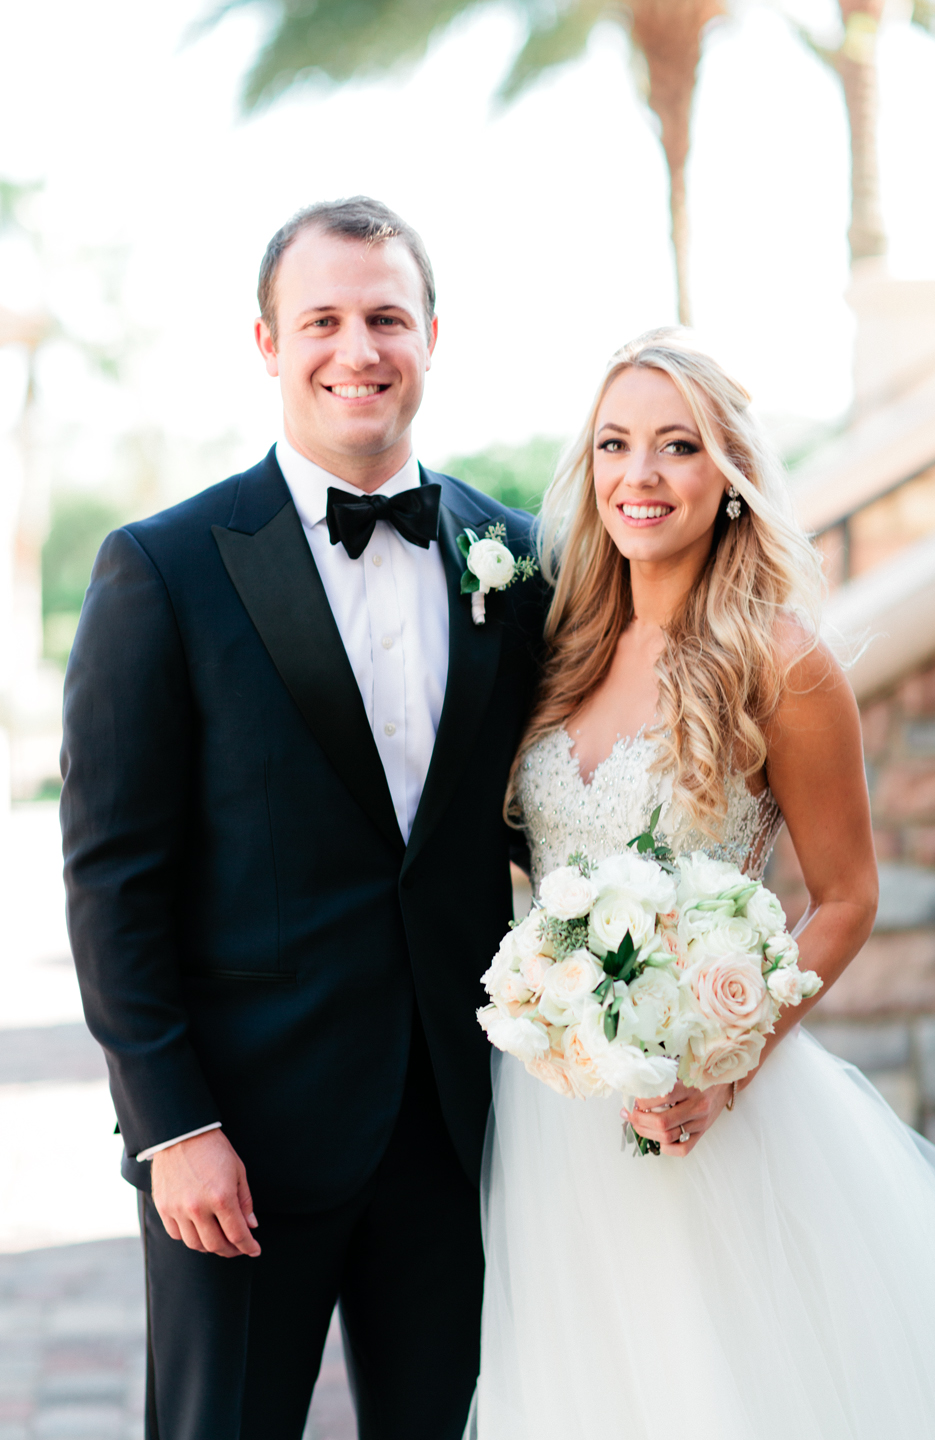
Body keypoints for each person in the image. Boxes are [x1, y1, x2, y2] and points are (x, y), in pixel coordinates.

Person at [60, 196, 544, 1440]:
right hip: (241, 1142)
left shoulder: (521, 563)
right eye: (321, 319)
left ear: (433, 335)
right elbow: (114, 878)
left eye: (386, 316)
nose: (358, 349)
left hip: (459, 1130)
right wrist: (172, 1124)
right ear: (268, 344)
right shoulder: (162, 569)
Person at [468, 330, 935, 1439]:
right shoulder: (561, 650)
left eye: (677, 447)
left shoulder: (780, 662)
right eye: (615, 445)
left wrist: (728, 1067)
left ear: (730, 476)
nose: (640, 477)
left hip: (712, 1114)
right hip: (552, 1121)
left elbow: (848, 896)